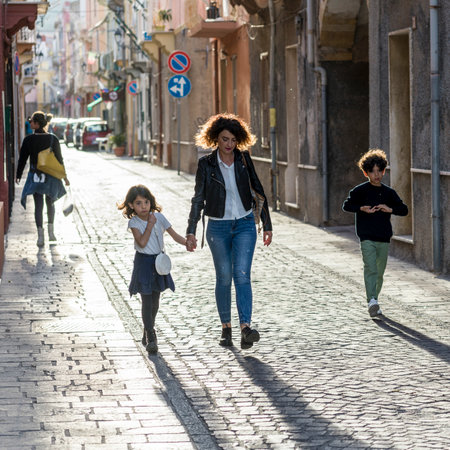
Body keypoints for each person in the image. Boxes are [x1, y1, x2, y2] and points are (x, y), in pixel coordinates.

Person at [186, 113, 273, 350]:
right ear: (215, 139)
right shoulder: (207, 164)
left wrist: (267, 224)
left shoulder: (244, 160)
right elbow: (198, 198)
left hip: (245, 223)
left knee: (242, 275)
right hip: (218, 226)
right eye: (225, 139)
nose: (229, 144)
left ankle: (246, 327)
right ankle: (226, 328)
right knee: (224, 277)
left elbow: (259, 191)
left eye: (233, 140)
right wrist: (191, 230)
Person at [118, 184, 189, 354]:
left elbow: (173, 234)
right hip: (143, 263)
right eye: (138, 203)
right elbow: (141, 242)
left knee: (155, 302)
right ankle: (151, 335)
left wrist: (186, 242)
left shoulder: (160, 217)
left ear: (151, 202)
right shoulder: (134, 222)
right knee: (147, 301)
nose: (143, 206)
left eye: (146, 202)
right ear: (131, 206)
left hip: (158, 263)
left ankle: (147, 329)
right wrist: (150, 225)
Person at [342, 149, 408, 318]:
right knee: (370, 268)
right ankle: (372, 301)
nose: (376, 175)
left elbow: (404, 210)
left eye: (379, 171)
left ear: (384, 171)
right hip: (366, 237)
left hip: (384, 238)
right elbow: (347, 206)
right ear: (366, 173)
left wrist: (390, 209)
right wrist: (361, 208)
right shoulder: (359, 191)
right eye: (372, 171)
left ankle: (374, 300)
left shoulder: (389, 193)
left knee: (379, 272)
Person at [16, 111, 70, 247]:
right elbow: (59, 160)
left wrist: (18, 174)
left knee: (38, 206)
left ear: (37, 123)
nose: (30, 122)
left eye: (32, 121)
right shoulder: (53, 139)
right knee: (50, 203)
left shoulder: (28, 140)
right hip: (51, 175)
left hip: (36, 176)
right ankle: (51, 233)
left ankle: (40, 237)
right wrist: (64, 177)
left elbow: (22, 159)